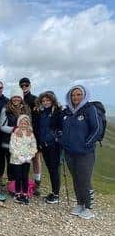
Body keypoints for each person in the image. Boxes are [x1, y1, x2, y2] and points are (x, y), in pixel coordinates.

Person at [61, 85, 102, 219]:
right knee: (76, 179)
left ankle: (89, 207)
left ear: (84, 95)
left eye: (79, 94)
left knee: (84, 180)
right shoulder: (67, 111)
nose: (75, 97)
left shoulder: (90, 109)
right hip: (69, 152)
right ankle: (79, 203)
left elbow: (97, 129)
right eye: (73, 95)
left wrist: (87, 144)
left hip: (85, 153)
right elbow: (62, 128)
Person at [35, 91, 62, 204]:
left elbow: (61, 129)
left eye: (48, 100)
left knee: (54, 169)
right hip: (44, 145)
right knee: (51, 169)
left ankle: (55, 194)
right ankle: (54, 192)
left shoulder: (58, 112)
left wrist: (55, 139)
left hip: (54, 146)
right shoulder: (42, 112)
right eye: (44, 101)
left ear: (52, 100)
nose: (46, 103)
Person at [0, 87, 31, 181]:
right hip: (9, 142)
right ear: (11, 98)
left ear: (21, 98)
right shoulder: (6, 109)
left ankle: (21, 185)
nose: (16, 99)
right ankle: (12, 185)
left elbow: (30, 124)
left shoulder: (26, 109)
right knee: (12, 165)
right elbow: (2, 126)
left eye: (18, 97)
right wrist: (15, 129)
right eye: (14, 97)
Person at [19, 77, 42, 193]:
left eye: (26, 85)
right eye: (21, 86)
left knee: (35, 158)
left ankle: (37, 183)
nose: (24, 87)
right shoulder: (17, 99)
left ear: (30, 86)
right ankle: (26, 182)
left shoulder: (35, 99)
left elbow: (39, 119)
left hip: (34, 134)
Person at [9, 115, 37, 205]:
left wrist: (30, 155)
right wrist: (18, 156)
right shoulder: (15, 133)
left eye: (25, 123)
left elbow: (33, 146)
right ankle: (17, 193)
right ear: (19, 123)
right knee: (18, 176)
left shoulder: (30, 134)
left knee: (25, 177)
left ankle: (25, 194)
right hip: (17, 159)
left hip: (27, 159)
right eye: (22, 123)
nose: (24, 125)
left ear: (28, 124)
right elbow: (12, 147)